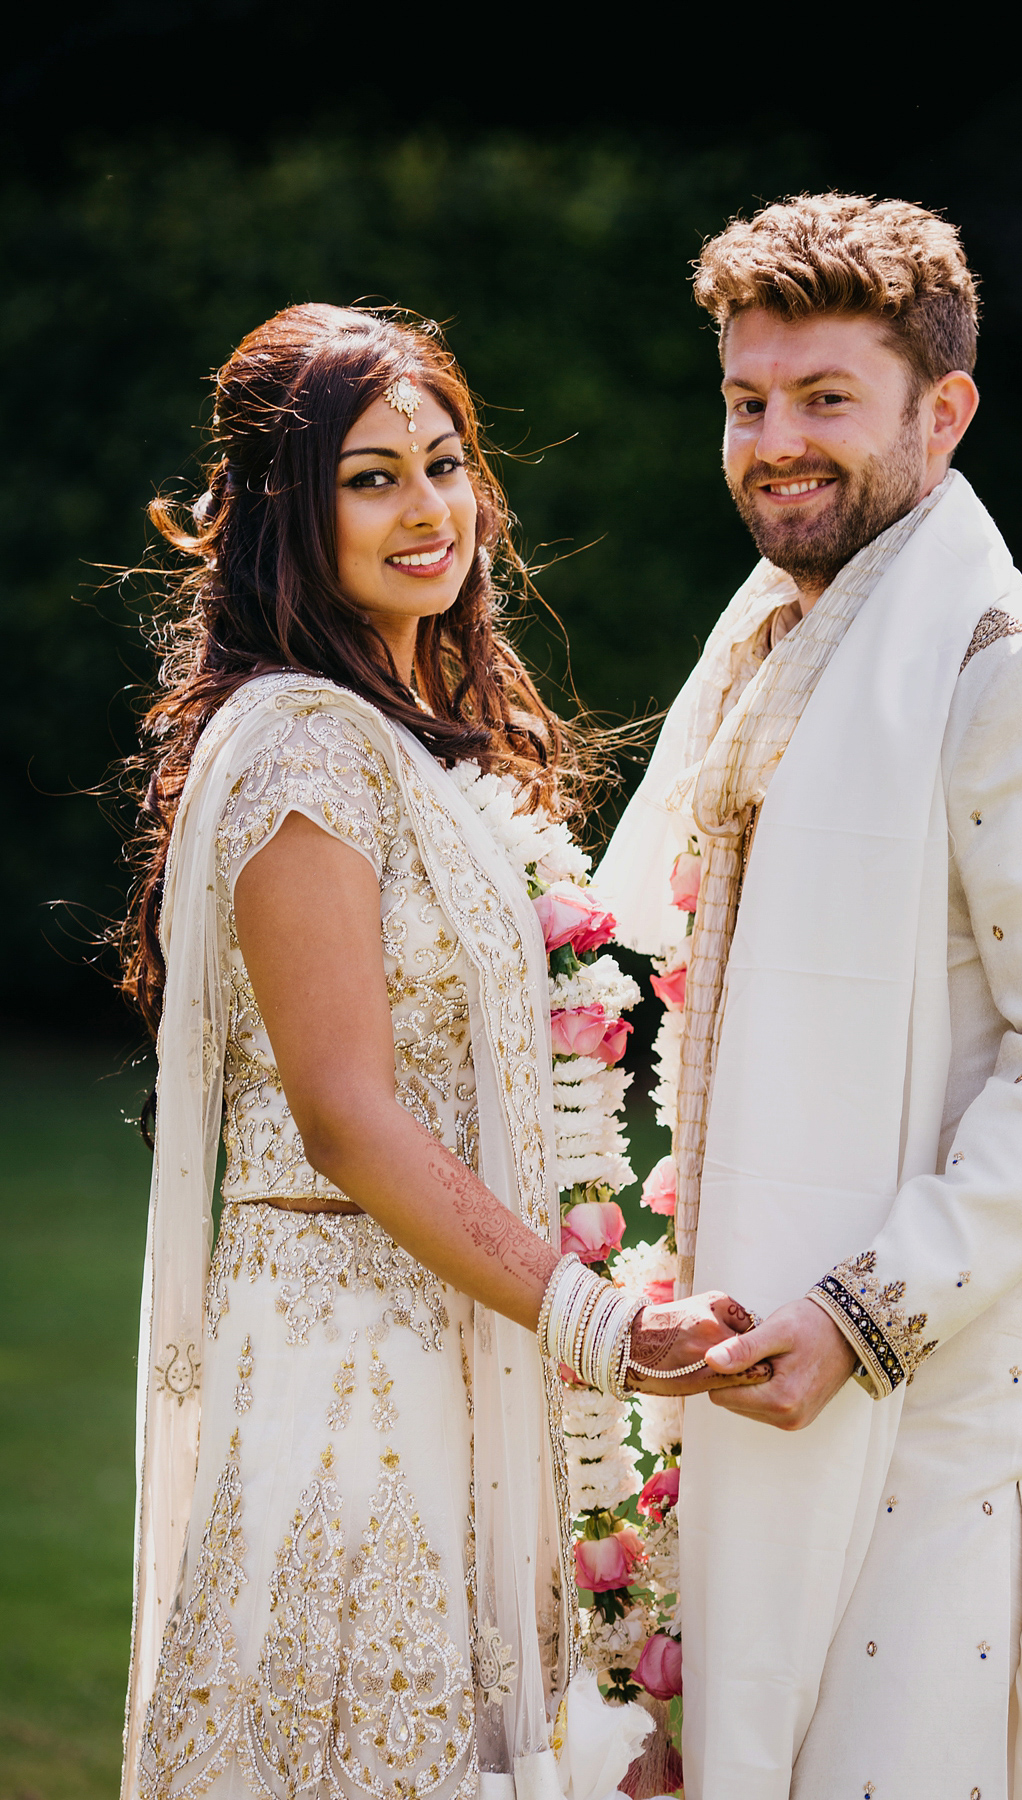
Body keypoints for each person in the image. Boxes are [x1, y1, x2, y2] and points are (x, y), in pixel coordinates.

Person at [117, 302, 762, 1800]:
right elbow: (342, 1113)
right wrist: (595, 1317)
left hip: (462, 1341)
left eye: (446, 463)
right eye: (370, 476)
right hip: (352, 1378)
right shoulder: (302, 749)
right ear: (285, 508)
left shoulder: (403, 733)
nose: (428, 510)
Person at [593, 196, 1022, 1799]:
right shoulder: (771, 651)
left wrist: (864, 1313)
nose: (775, 441)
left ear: (945, 410)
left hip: (948, 1390)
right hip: (756, 1343)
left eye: (825, 399)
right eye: (747, 400)